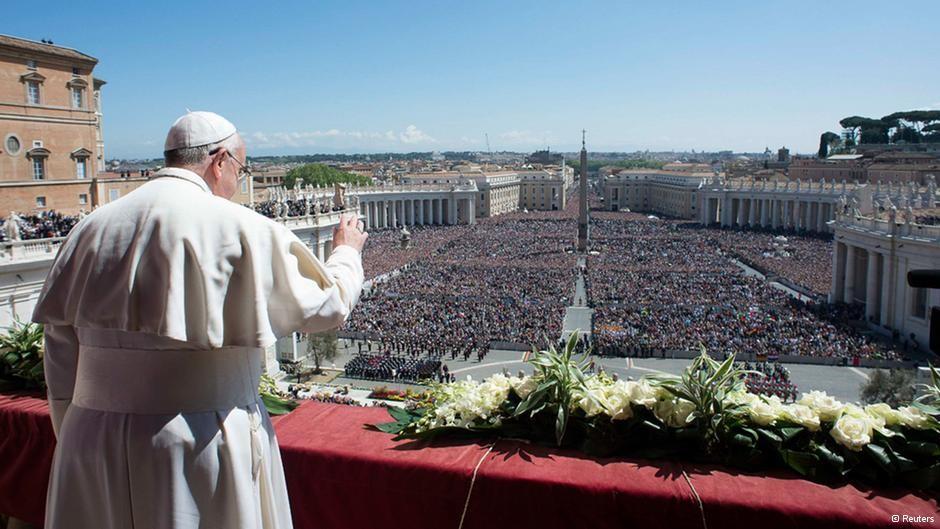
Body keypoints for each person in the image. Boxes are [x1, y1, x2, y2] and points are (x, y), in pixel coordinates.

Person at [32, 111, 368, 529]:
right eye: (241, 170)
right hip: (199, 439)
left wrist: (77, 429)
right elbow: (328, 306)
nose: (237, 181)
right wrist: (346, 252)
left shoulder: (88, 229)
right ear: (220, 160)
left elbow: (60, 353)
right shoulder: (243, 227)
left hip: (89, 440)